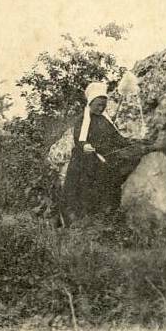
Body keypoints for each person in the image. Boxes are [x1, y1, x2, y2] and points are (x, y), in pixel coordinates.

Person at [61, 81, 134, 224]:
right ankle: (80, 224)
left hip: (102, 161)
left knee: (105, 191)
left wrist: (128, 142)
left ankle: (104, 222)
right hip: (84, 163)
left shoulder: (105, 121)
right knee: (82, 193)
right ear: (91, 103)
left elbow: (116, 138)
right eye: (98, 105)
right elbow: (79, 137)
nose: (101, 108)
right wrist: (84, 145)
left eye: (103, 105)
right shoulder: (83, 119)